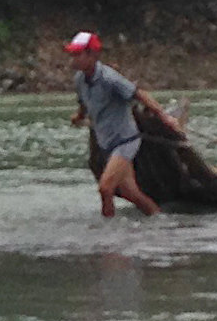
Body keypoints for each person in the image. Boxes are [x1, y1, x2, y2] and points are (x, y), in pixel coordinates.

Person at [66, 31, 164, 218]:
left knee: (105, 189)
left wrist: (163, 116)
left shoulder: (109, 78)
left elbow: (138, 94)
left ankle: (109, 233)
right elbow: (83, 102)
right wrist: (79, 116)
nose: (74, 59)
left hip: (125, 140)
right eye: (73, 54)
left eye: (78, 54)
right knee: (130, 193)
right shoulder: (79, 79)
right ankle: (159, 218)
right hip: (107, 142)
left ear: (92, 55)